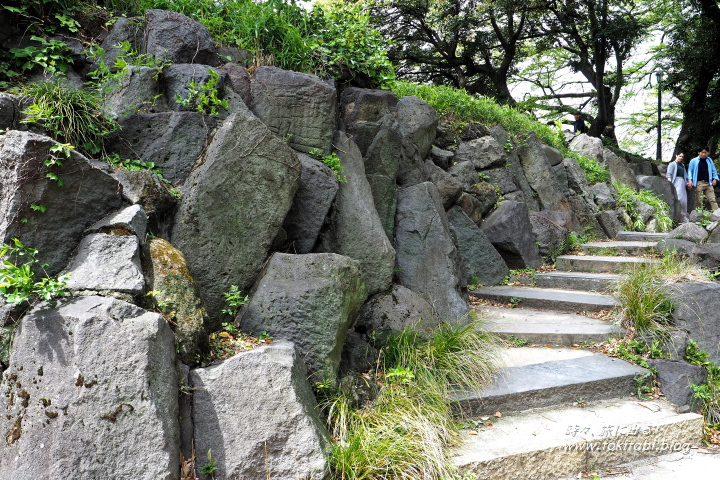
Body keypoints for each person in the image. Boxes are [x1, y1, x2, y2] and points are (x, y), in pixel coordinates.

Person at [687, 146, 720, 211]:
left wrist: (715, 179)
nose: (703, 154)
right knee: (698, 201)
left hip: (709, 183)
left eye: (705, 152)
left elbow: (714, 170)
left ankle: (718, 215)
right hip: (699, 183)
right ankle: (697, 216)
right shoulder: (694, 161)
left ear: (707, 153)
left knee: (713, 200)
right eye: (702, 152)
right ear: (699, 152)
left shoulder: (709, 160)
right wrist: (690, 180)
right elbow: (690, 171)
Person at [666, 152, 689, 222]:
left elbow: (685, 175)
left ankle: (683, 215)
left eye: (682, 157)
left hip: (682, 182)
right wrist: (670, 182)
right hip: (676, 182)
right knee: (678, 198)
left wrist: (687, 182)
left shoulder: (682, 165)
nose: (681, 158)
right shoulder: (672, 164)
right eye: (680, 156)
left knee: (684, 200)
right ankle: (677, 215)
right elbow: (669, 174)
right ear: (676, 155)